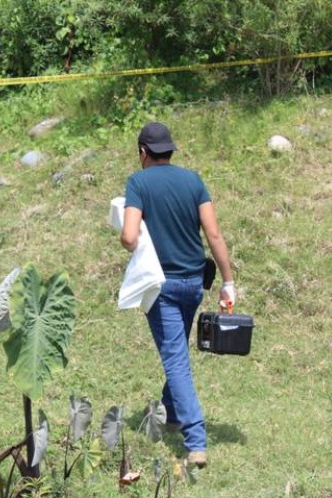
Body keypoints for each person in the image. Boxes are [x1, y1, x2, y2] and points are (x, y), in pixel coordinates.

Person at [119, 122, 235, 468]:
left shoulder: (138, 183)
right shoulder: (193, 180)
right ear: (169, 150)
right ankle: (170, 413)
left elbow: (128, 237)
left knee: (175, 359)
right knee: (177, 350)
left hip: (162, 286)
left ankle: (196, 440)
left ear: (142, 152)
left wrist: (136, 239)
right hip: (194, 284)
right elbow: (213, 234)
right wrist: (228, 281)